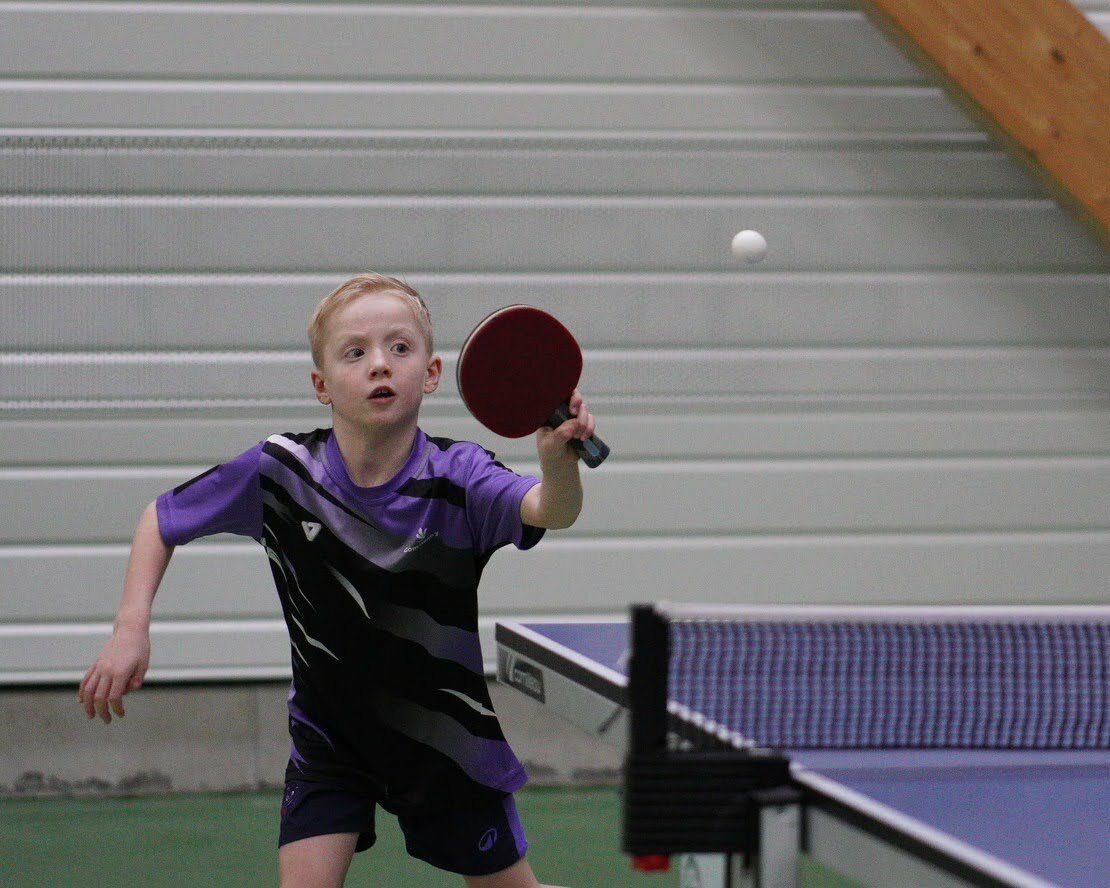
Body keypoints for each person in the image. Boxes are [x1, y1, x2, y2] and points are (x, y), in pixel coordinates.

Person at [78, 273, 596, 888]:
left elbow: (549, 510)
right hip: (330, 742)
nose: (380, 364)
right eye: (355, 352)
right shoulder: (282, 472)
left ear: (430, 373)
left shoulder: (460, 477)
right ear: (321, 384)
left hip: (446, 743)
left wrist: (558, 466)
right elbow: (161, 519)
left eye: (399, 347)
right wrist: (130, 627)